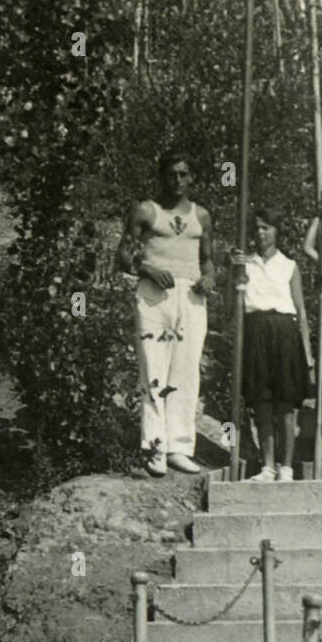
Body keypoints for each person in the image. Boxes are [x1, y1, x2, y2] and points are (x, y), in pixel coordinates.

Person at [116, 148, 216, 477]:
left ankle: (180, 447)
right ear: (161, 176)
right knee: (154, 370)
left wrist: (210, 277)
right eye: (171, 174)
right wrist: (146, 268)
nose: (177, 181)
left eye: (183, 174)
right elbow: (122, 256)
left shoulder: (201, 216)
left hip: (190, 296)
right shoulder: (146, 210)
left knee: (186, 372)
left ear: (192, 177)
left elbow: (207, 260)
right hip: (154, 295)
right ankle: (155, 447)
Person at [229, 209, 312, 482]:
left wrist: (307, 353)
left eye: (267, 227)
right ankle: (268, 465)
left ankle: (286, 467)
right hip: (256, 331)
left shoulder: (288, 265)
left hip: (284, 332)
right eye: (257, 228)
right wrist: (234, 273)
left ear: (277, 231)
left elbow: (300, 310)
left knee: (285, 405)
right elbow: (232, 306)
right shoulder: (245, 264)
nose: (260, 233)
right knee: (262, 403)